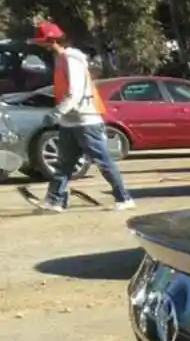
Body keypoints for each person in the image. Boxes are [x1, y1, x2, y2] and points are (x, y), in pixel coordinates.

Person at [25, 20, 133, 213]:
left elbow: (74, 92)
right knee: (64, 163)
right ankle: (55, 200)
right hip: (70, 121)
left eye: (41, 42)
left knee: (103, 160)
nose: (39, 46)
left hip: (85, 120)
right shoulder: (61, 59)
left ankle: (123, 198)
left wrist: (57, 112)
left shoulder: (71, 59)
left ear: (51, 41)